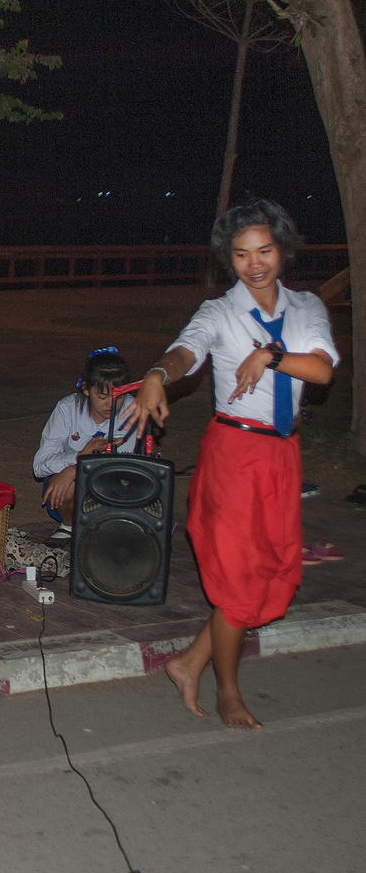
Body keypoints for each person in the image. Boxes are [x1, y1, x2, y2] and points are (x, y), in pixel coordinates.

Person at [133, 198, 336, 730]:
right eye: (242, 254)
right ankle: (226, 689)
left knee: (268, 568)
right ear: (230, 259)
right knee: (239, 576)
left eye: (265, 250)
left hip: (282, 453)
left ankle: (187, 662)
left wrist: (268, 355)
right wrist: (158, 372)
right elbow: (187, 351)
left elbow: (320, 371)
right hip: (233, 454)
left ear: (283, 250)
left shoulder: (307, 307)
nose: (255, 263)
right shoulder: (219, 312)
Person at [33, 346, 138, 547]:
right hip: (73, 488)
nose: (112, 405)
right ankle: (69, 526)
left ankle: (106, 524)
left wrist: (77, 468)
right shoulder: (67, 409)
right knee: (67, 483)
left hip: (112, 486)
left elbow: (123, 469)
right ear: (86, 389)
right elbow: (39, 466)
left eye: (119, 397)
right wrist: (79, 457)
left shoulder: (132, 411)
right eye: (102, 396)